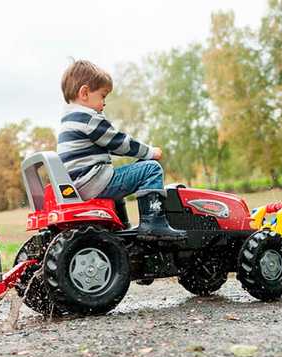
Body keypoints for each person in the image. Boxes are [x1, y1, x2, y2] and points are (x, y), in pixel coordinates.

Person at [58, 60, 186, 240]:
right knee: (151, 169)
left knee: (127, 171)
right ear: (85, 93)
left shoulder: (68, 120)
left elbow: (110, 145)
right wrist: (150, 152)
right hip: (94, 182)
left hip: (81, 183)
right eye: (102, 96)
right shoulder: (88, 119)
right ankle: (153, 225)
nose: (104, 103)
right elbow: (120, 143)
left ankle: (121, 228)